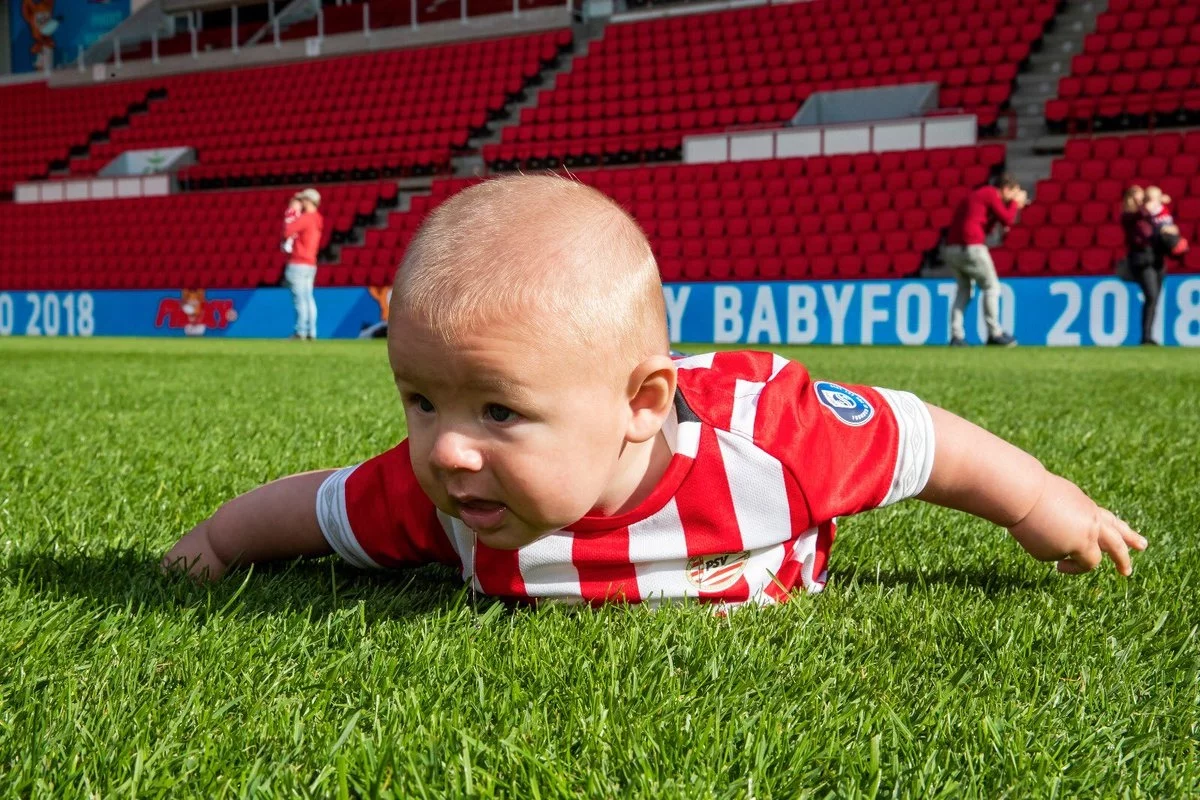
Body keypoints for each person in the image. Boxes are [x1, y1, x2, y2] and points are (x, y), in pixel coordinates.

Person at [163, 175, 1145, 607]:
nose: (448, 447)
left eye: (498, 409)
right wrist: (219, 537)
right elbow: (319, 507)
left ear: (642, 405)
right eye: (422, 401)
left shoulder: (774, 438)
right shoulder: (450, 497)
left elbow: (923, 439)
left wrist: (1037, 501)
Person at [941, 175, 1027, 347]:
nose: (1016, 196)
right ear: (1005, 189)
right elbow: (1008, 218)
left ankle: (956, 336)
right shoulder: (990, 193)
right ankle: (994, 333)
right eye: (1015, 192)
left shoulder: (980, 196)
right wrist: (1015, 204)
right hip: (970, 247)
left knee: (964, 291)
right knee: (991, 287)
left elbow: (989, 225)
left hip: (952, 249)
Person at [1120, 185, 1162, 345]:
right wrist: (1156, 200)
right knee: (1151, 296)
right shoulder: (1129, 215)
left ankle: (1148, 335)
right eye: (1140, 196)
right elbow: (1141, 213)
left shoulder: (1147, 216)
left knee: (1154, 298)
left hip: (1156, 258)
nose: (1142, 198)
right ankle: (1146, 336)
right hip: (1141, 259)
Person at [282, 188, 324, 341]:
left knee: (300, 299)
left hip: (298, 262)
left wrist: (292, 210)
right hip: (311, 263)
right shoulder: (318, 218)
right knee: (308, 298)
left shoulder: (306, 218)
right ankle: (311, 331)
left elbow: (287, 231)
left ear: (308, 201)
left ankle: (300, 331)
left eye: (303, 200)